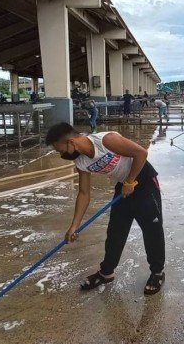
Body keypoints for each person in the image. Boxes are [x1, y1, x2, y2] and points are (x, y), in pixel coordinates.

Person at [45, 123, 166, 295]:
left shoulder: (105, 141)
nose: (62, 154)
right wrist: (74, 225)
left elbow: (141, 153)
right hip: (123, 186)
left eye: (61, 150)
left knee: (151, 228)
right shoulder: (81, 161)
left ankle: (157, 272)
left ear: (71, 142)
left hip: (143, 180)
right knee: (116, 231)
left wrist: (131, 181)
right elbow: (84, 193)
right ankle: (106, 272)